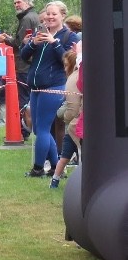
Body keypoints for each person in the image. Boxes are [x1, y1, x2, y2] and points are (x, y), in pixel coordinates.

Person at [20, 0, 79, 178]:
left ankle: (38, 168)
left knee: (44, 129)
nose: (50, 17)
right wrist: (32, 43)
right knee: (38, 130)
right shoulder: (40, 33)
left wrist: (54, 42)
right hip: (36, 88)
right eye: (48, 13)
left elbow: (68, 61)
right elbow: (24, 56)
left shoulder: (69, 37)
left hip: (53, 87)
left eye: (54, 14)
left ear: (63, 15)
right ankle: (54, 167)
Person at [0, 0, 40, 140]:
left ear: (27, 2)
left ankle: (21, 132)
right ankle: (24, 131)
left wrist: (5, 39)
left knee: (22, 100)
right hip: (30, 64)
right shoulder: (34, 16)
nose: (16, 5)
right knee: (28, 99)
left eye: (18, 2)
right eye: (14, 3)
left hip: (24, 65)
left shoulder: (27, 18)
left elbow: (20, 43)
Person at [49, 49, 81, 189]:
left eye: (66, 65)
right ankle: (55, 179)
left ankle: (55, 180)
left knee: (65, 158)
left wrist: (64, 115)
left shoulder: (73, 80)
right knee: (65, 158)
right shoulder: (76, 79)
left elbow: (71, 109)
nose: (64, 68)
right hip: (73, 129)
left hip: (74, 128)